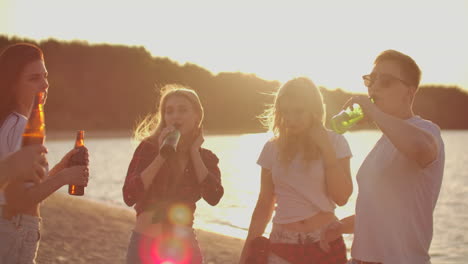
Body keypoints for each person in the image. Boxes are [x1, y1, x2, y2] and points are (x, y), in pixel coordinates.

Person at [321, 50, 445, 264]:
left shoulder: (426, 131)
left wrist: (372, 110)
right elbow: (382, 212)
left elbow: (420, 148)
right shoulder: (384, 142)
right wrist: (341, 227)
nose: (374, 87)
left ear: (410, 92)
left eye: (385, 81)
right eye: (371, 80)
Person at [239, 77, 353, 264]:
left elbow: (342, 198)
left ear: (314, 110)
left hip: (325, 242)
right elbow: (264, 203)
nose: (290, 119)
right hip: (282, 245)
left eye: (298, 111)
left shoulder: (335, 142)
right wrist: (246, 252)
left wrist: (325, 148)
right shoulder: (272, 147)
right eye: (285, 112)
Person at [0, 43, 89, 264]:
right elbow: (18, 201)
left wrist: (59, 168)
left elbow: (22, 189)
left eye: (45, 76)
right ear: (12, 84)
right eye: (34, 78)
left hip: (15, 229)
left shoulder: (13, 123)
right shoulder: (19, 126)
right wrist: (64, 178)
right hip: (15, 229)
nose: (45, 84)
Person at [123, 84, 224, 264]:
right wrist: (162, 155)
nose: (175, 116)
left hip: (183, 248)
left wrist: (194, 152)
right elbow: (129, 195)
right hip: (145, 246)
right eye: (169, 111)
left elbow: (214, 196)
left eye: (182, 110)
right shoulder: (148, 149)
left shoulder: (206, 158)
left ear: (197, 116)